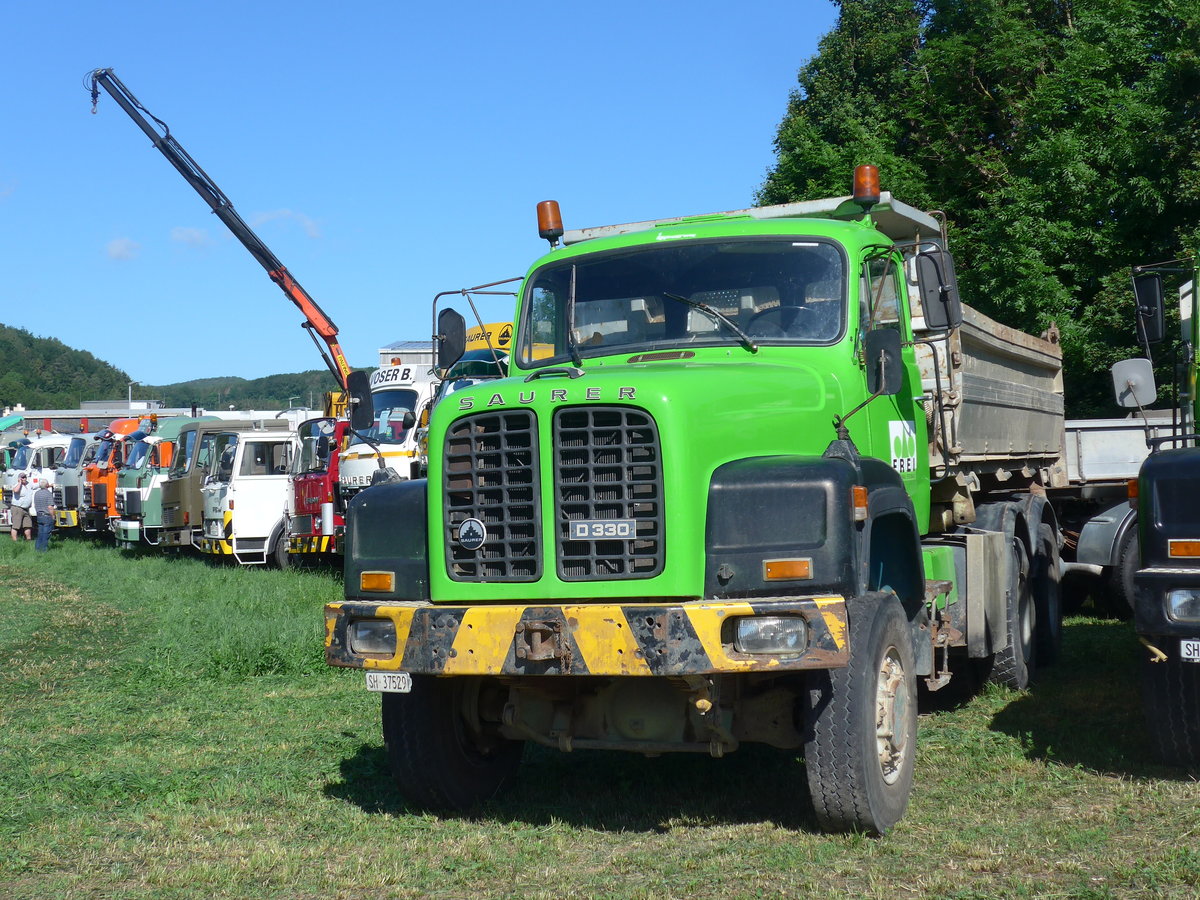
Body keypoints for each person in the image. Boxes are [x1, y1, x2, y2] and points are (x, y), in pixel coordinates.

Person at [32, 476, 55, 552]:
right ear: (47, 485)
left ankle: (37, 549)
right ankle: (44, 550)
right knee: (46, 534)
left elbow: (35, 505)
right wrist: (53, 516)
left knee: (40, 533)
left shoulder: (36, 493)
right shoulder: (48, 494)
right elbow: (50, 507)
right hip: (46, 516)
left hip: (39, 515)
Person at [10, 473, 34, 542]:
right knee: (16, 526)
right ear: (19, 478)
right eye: (22, 477)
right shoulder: (17, 485)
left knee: (28, 525)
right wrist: (20, 483)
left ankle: (28, 540)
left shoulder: (29, 485)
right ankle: (15, 541)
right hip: (17, 508)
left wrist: (50, 485)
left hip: (26, 509)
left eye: (25, 477)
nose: (24, 479)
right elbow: (16, 490)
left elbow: (38, 485)